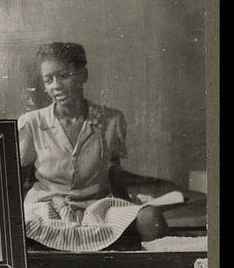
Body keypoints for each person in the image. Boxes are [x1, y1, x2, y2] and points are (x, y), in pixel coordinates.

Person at [17, 42, 168, 251]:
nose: (56, 86)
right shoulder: (32, 122)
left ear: (83, 75)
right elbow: (16, 175)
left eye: (64, 75)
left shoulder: (111, 120)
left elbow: (114, 170)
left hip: (96, 207)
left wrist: (130, 206)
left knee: (150, 217)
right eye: (48, 80)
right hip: (47, 207)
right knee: (19, 228)